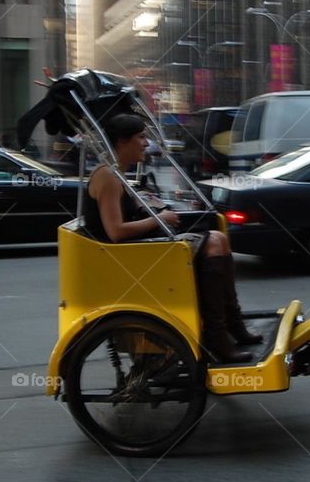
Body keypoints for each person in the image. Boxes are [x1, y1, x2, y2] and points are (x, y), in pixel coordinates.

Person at [83, 114, 262, 363]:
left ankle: (233, 324)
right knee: (212, 243)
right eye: (141, 138)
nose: (146, 143)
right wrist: (160, 219)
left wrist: (151, 206)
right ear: (122, 142)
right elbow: (116, 231)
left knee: (219, 238)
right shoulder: (108, 178)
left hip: (135, 250)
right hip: (127, 257)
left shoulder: (117, 174)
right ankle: (217, 336)